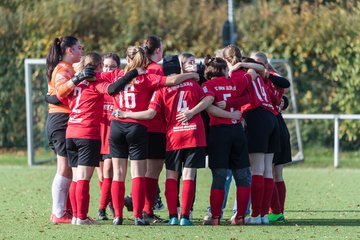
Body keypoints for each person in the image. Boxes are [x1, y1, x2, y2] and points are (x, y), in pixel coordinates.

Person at [97, 46, 199, 225]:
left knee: (118, 173)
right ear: (143, 61)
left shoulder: (115, 75)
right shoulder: (146, 78)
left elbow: (94, 77)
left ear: (127, 60)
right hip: (137, 127)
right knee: (138, 173)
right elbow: (172, 80)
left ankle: (118, 216)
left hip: (116, 126)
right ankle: (138, 215)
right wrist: (191, 75)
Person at [223, 44, 280, 225]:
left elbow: (239, 94)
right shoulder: (252, 70)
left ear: (227, 60)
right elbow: (263, 70)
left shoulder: (238, 73)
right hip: (271, 117)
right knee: (267, 170)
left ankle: (255, 215)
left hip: (256, 117)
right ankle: (262, 215)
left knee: (256, 169)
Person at [193, 55, 252, 225]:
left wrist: (227, 110)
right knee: (242, 175)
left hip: (219, 133)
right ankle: (240, 217)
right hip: (237, 131)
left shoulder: (207, 85)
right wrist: (234, 108)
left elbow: (210, 108)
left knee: (219, 175)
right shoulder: (235, 82)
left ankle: (216, 217)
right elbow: (248, 93)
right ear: (225, 70)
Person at [46, 36, 83, 224]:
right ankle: (58, 213)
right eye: (78, 47)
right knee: (64, 167)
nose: (81, 49)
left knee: (67, 167)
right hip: (60, 121)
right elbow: (60, 91)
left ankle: (63, 212)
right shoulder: (63, 68)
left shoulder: (68, 68)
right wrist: (77, 79)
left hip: (61, 120)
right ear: (69, 50)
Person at [251, 52, 291, 223]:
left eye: (259, 63)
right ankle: (276, 212)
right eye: (253, 62)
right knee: (272, 171)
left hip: (273, 123)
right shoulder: (260, 78)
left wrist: (284, 101)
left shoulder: (269, 78)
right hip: (273, 122)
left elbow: (282, 87)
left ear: (266, 65)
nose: (255, 66)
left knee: (272, 170)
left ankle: (274, 211)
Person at [142, 35, 166, 222]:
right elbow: (163, 95)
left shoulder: (138, 68)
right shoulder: (156, 69)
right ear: (158, 50)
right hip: (155, 125)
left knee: (141, 171)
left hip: (138, 124)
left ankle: (141, 208)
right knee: (152, 172)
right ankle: (146, 211)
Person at [97, 53, 121, 220]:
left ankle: (101, 209)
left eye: (112, 66)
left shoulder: (118, 89)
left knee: (108, 173)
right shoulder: (97, 86)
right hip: (96, 134)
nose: (108, 69)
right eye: (105, 66)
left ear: (117, 68)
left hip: (112, 136)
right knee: (102, 176)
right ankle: (110, 206)